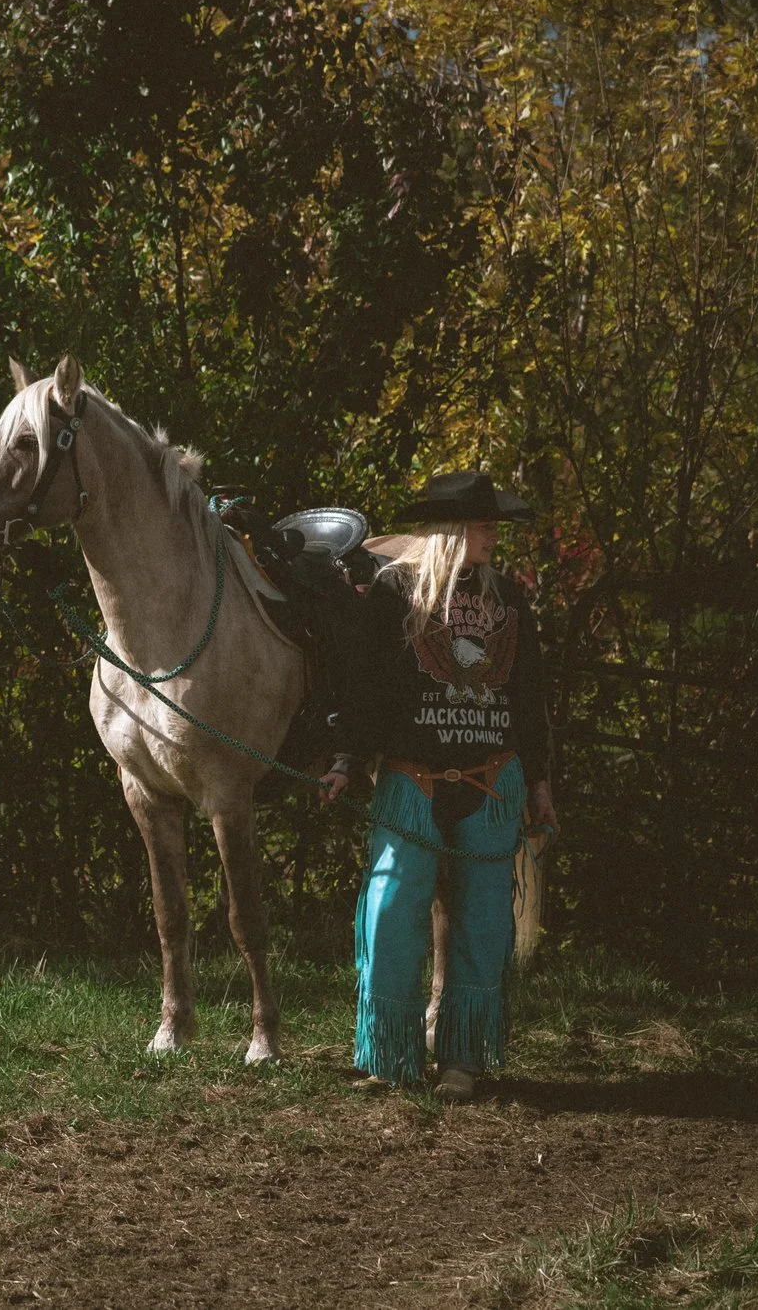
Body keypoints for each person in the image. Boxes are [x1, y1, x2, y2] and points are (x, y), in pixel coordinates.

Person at [316, 471, 559, 1101]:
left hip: (493, 780)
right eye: (483, 526)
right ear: (452, 529)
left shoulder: (509, 598)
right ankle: (390, 1053)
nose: (493, 537)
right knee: (392, 911)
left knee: (483, 922)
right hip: (412, 779)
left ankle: (462, 1059)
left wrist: (539, 781)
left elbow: (528, 694)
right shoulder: (396, 592)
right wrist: (346, 760)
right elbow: (367, 686)